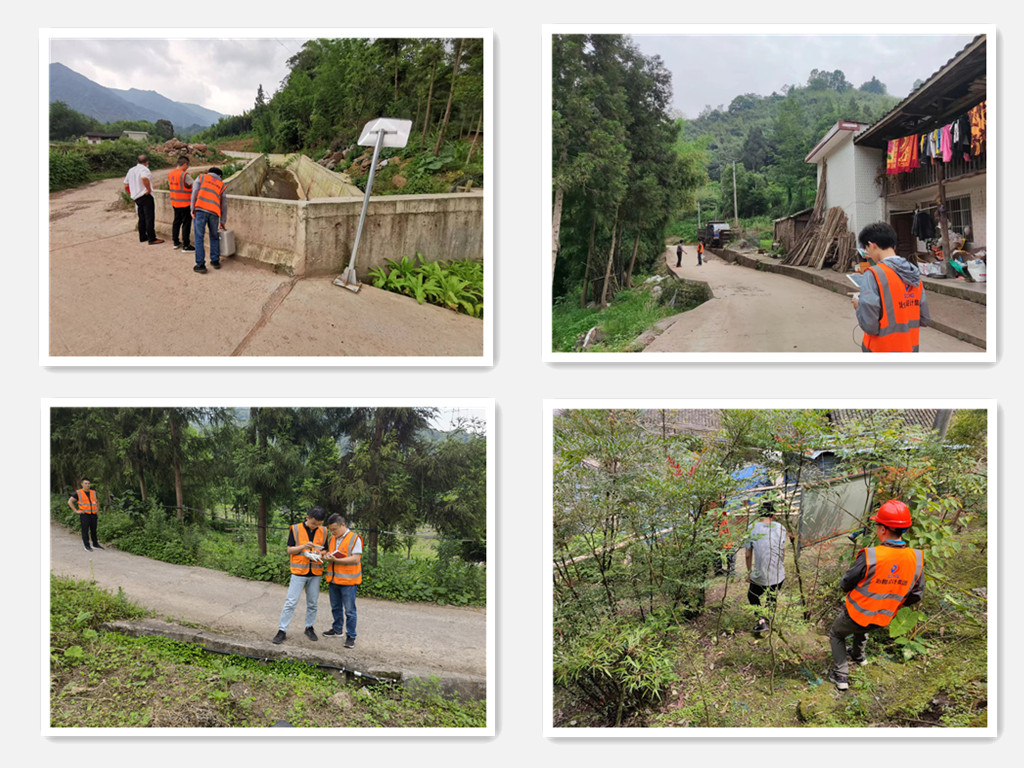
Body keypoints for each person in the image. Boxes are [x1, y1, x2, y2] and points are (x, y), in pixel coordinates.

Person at [827, 500, 925, 691]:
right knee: (864, 626)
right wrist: (895, 605)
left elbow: (847, 582)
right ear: (904, 530)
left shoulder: (872, 555)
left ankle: (841, 675)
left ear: (882, 529)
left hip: (856, 611)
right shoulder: (917, 558)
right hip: (884, 617)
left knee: (836, 634)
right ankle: (859, 656)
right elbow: (916, 595)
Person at [853, 222, 931, 352]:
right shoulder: (913, 273)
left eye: (867, 249)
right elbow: (924, 318)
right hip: (910, 347)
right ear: (893, 245)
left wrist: (858, 307)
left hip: (881, 349)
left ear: (872, 245)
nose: (868, 254)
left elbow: (870, 325)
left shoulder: (874, 274)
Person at [272, 507, 328, 645]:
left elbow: (325, 549)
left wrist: (321, 554)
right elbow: (290, 549)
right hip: (298, 572)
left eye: (319, 524)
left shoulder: (324, 531)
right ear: (307, 518)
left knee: (313, 603)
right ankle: (282, 630)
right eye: (314, 523)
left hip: (315, 572)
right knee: (291, 602)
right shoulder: (295, 529)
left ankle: (309, 627)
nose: (316, 526)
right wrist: (303, 547)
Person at [743, 500, 786, 634]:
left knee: (752, 595)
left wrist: (749, 572)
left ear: (760, 513)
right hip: (779, 574)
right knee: (771, 595)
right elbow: (783, 551)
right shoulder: (781, 527)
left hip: (760, 574)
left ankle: (761, 621)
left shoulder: (752, 527)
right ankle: (769, 617)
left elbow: (748, 555)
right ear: (773, 514)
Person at [322, 514, 363, 648]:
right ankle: (337, 629)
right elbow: (331, 552)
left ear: (343, 525)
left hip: (348, 581)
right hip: (334, 579)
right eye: (331, 530)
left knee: (350, 610)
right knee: (336, 607)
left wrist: (336, 560)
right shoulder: (333, 538)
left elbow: (355, 559)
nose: (333, 532)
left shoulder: (354, 538)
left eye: (335, 529)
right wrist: (327, 556)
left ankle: (351, 636)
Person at [190, 167, 227, 273]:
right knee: (214, 236)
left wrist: (192, 209)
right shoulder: (221, 185)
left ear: (209, 172)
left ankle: (200, 265)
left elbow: (194, 193)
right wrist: (223, 221)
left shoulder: (201, 177)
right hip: (214, 213)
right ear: (219, 175)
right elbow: (224, 204)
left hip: (200, 210)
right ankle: (215, 261)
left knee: (199, 238)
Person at [123, 154, 164, 245]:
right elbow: (144, 178)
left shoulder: (131, 170)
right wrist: (148, 189)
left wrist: (132, 193)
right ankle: (152, 238)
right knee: (149, 217)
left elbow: (126, 184)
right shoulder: (144, 169)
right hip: (145, 196)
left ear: (137, 162)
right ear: (147, 162)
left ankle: (142, 236)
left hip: (137, 197)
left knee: (142, 217)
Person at [68, 479, 103, 552]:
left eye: (89, 483)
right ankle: (87, 546)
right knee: (85, 531)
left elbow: (97, 501)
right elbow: (70, 501)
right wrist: (76, 511)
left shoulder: (93, 492)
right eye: (86, 483)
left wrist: (97, 509)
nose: (88, 485)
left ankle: (95, 544)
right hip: (84, 514)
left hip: (93, 514)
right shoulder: (78, 493)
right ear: (82, 484)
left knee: (94, 530)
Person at [168, 156, 194, 252]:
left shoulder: (171, 174)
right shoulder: (184, 175)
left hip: (175, 202)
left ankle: (175, 242)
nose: (187, 167)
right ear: (185, 164)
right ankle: (186, 245)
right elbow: (194, 186)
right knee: (186, 224)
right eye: (187, 165)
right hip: (185, 203)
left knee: (176, 222)